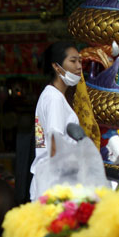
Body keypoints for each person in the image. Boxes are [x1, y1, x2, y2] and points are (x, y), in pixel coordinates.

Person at [30, 42, 83, 201]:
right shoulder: (54, 99)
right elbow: (55, 143)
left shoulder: (48, 96)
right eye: (73, 61)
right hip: (55, 183)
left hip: (45, 179)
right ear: (57, 67)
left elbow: (41, 142)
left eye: (80, 61)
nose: (79, 66)